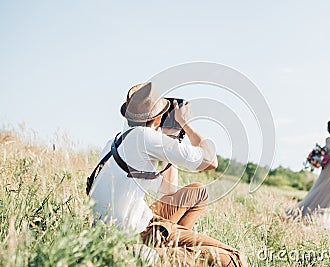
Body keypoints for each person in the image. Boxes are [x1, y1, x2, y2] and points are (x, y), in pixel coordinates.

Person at [88, 82, 245, 266]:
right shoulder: (144, 138)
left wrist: (170, 137)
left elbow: (168, 190)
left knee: (198, 192)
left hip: (120, 226)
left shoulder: (116, 141)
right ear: (157, 119)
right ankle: (150, 256)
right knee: (234, 258)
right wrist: (186, 124)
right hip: (135, 233)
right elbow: (211, 161)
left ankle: (169, 252)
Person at [287, 119, 330, 221]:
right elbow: (325, 154)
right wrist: (317, 160)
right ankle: (306, 211)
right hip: (326, 167)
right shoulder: (327, 139)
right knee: (319, 187)